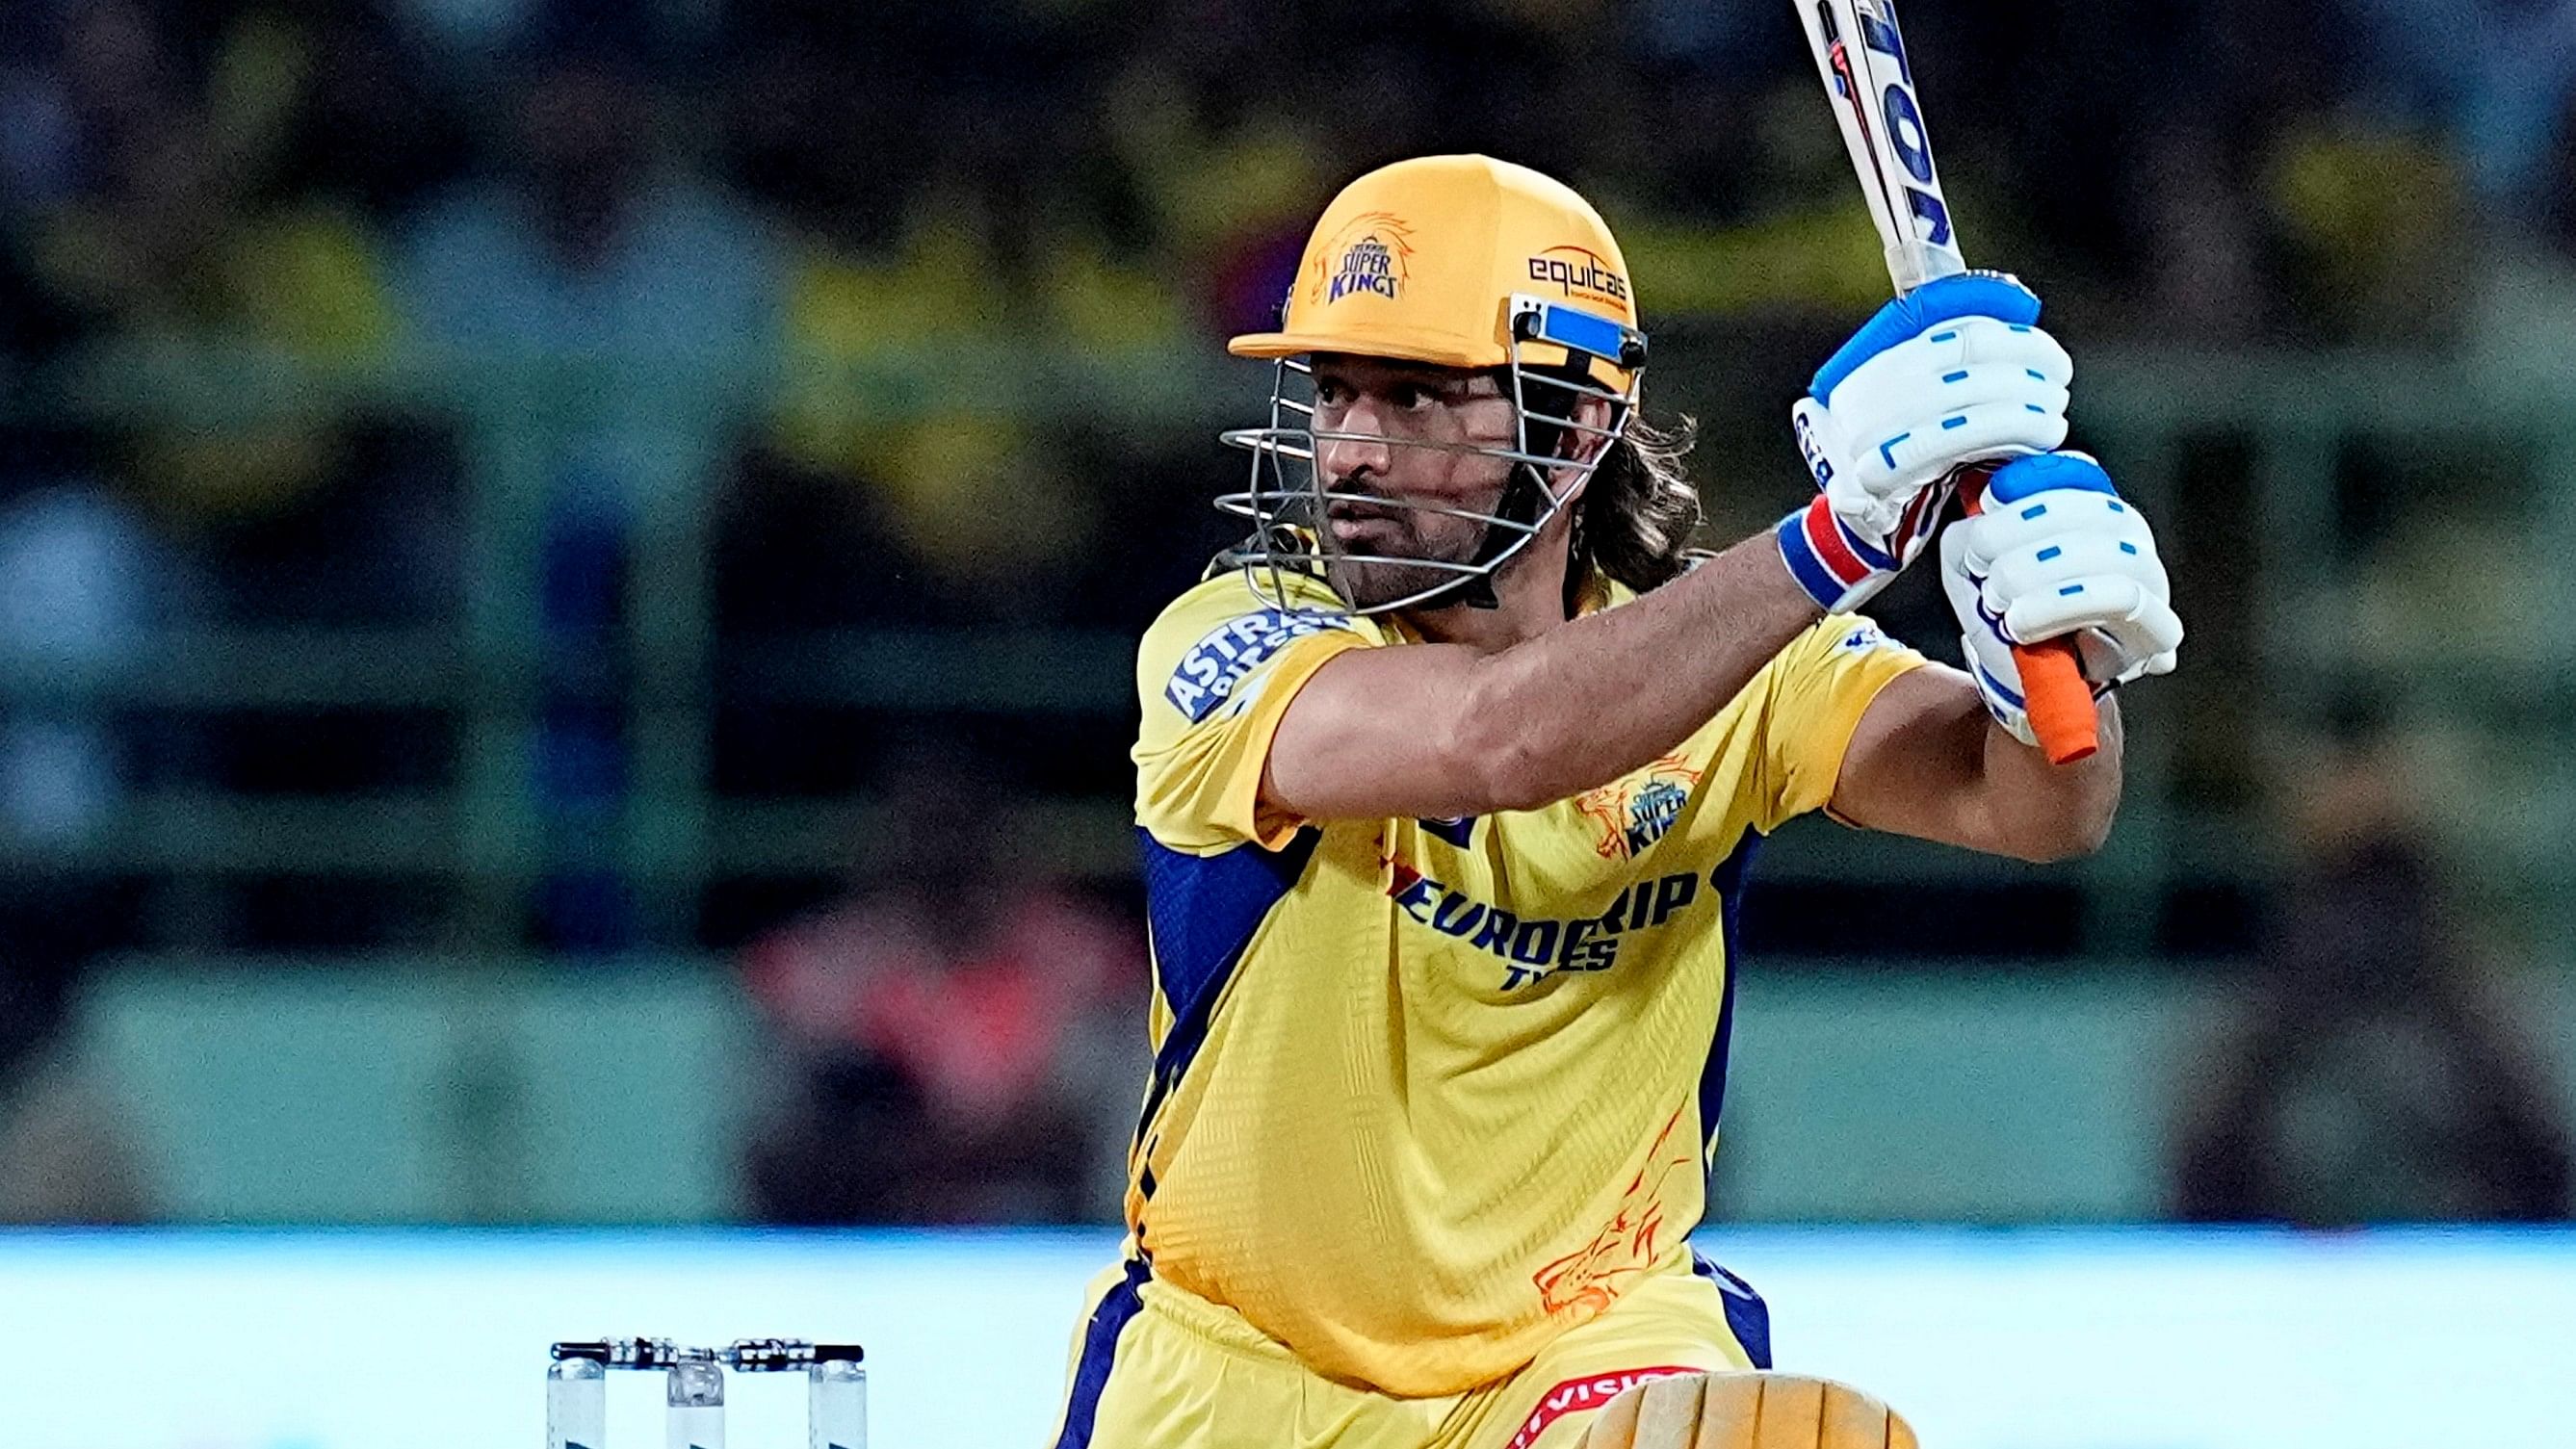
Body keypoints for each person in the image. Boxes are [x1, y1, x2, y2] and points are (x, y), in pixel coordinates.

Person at [1051, 155, 2182, 1449]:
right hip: (1240, 1363)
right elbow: (1502, 735)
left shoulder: (1748, 670)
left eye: (1416, 397)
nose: (1353, 447)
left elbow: (2040, 808)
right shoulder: (1235, 641)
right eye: (1337, 391)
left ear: (1578, 427)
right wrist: (1849, 534)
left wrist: (2050, 649)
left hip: (1581, 1355)